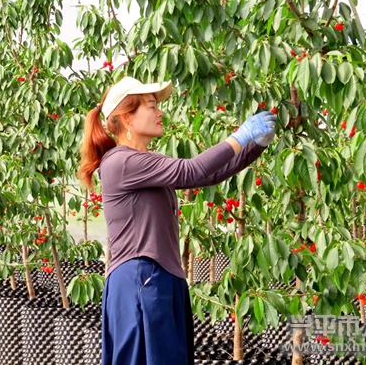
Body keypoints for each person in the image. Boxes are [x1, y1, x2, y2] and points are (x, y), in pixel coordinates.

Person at [77, 76, 277, 365]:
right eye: (151, 106)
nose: (160, 113)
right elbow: (192, 170)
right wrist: (239, 136)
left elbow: (207, 175)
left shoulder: (143, 162)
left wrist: (255, 145)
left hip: (159, 277)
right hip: (141, 278)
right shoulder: (121, 162)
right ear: (127, 119)